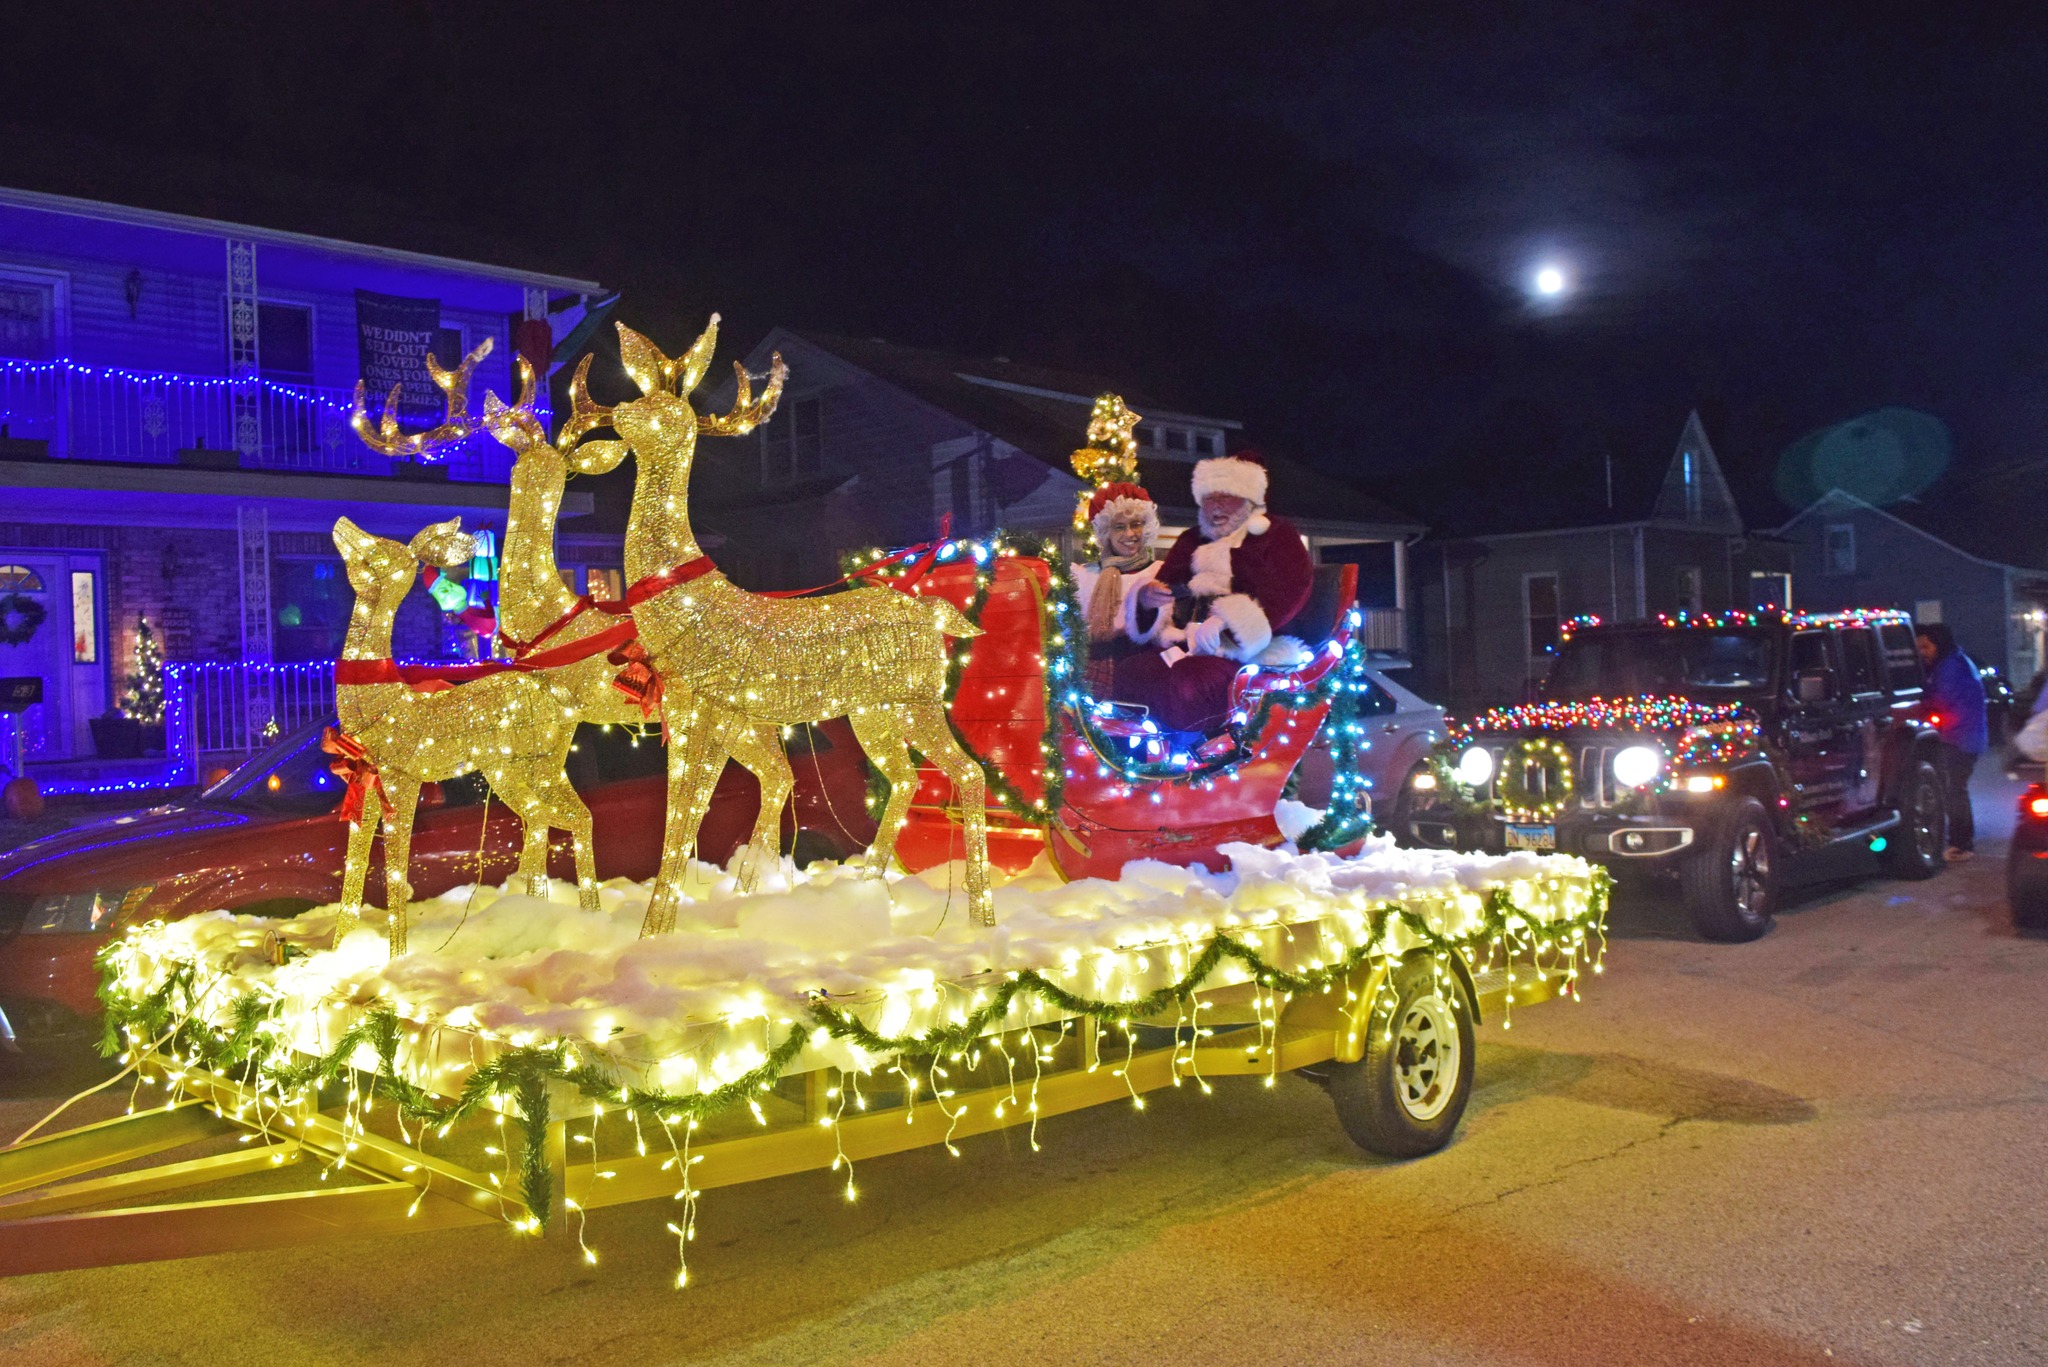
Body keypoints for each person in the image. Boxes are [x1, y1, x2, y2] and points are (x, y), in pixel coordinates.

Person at [1116, 449, 1314, 733]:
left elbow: (1287, 592)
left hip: (1246, 651)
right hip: (1190, 644)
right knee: (1133, 671)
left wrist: (1228, 622)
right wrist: (1146, 599)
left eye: (1226, 496)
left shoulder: (1277, 536)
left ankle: (1189, 755)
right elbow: (1165, 586)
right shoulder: (1191, 539)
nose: (1216, 506)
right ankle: (1135, 754)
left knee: (1189, 683)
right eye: (1210, 497)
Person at [1069, 481, 1162, 697]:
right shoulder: (1084, 576)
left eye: (1136, 524)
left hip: (1143, 676)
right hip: (1089, 677)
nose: (1130, 534)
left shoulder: (1158, 573)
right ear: (1106, 532)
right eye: (1120, 527)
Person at [1917, 622, 1988, 861]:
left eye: (1926, 646)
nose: (1922, 652)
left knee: (1954, 791)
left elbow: (1940, 700)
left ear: (1939, 644)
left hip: (1959, 738)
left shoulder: (1950, 668)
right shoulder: (1957, 663)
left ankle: (1961, 844)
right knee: (1956, 790)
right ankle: (1960, 841)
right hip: (1966, 737)